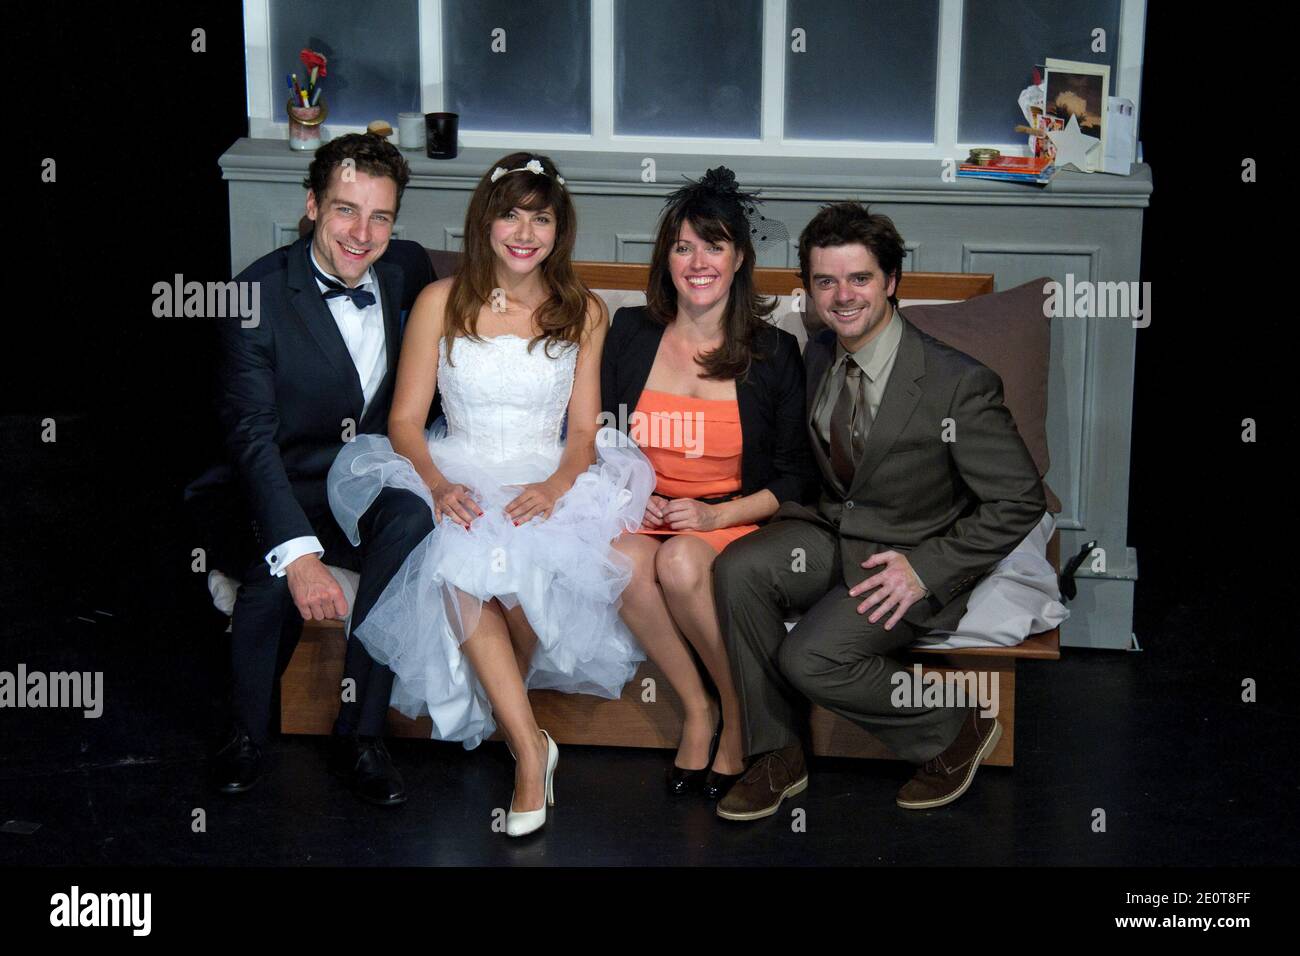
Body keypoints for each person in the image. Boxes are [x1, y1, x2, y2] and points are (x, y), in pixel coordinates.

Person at [327, 152, 654, 837]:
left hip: (546, 472)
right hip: (459, 466)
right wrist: (440, 485)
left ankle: (515, 725)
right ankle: (531, 752)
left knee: (545, 562)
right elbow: (407, 421)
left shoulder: (584, 311)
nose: (525, 231)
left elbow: (584, 431)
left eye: (541, 218)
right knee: (459, 557)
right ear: (486, 221)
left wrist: (558, 486)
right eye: (510, 214)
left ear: (559, 230)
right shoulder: (440, 301)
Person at [712, 202, 1047, 820]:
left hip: (909, 552)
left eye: (860, 278)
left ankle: (955, 726)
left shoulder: (956, 383)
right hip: (829, 533)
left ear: (891, 281)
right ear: (807, 288)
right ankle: (778, 753)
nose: (843, 296)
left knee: (809, 656)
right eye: (825, 281)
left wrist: (928, 569)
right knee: (737, 570)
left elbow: (1020, 499)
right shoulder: (814, 354)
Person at [194, 133, 438, 805]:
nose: (363, 234)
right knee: (272, 582)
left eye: (380, 216)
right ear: (311, 206)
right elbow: (251, 442)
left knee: (414, 516)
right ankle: (244, 734)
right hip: (281, 487)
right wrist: (299, 555)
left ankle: (361, 735)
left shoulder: (408, 270)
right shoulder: (255, 297)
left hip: (366, 485)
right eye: (344, 211)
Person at [601, 167, 819, 799]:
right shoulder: (631, 332)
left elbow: (794, 476)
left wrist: (713, 517)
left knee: (680, 565)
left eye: (713, 245)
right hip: (645, 510)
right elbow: (601, 434)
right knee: (617, 559)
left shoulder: (775, 351)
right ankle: (700, 708)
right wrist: (636, 497)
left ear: (739, 256)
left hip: (730, 516)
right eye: (683, 246)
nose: (698, 262)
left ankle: (744, 715)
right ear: (666, 257)